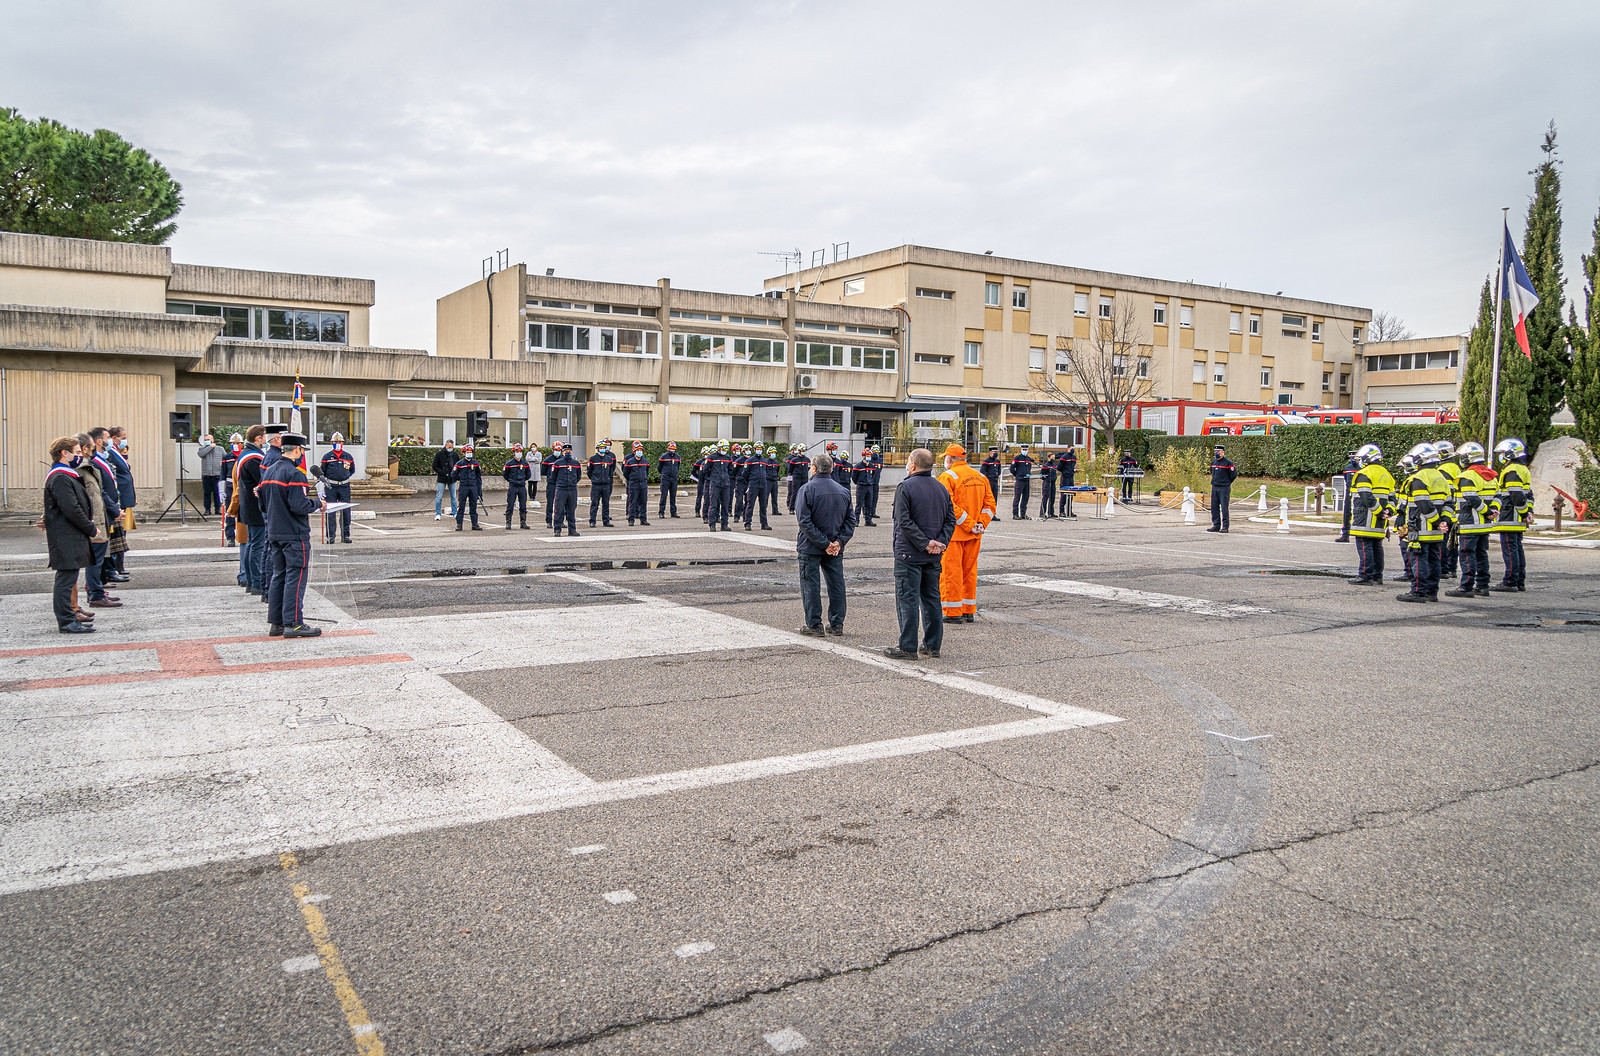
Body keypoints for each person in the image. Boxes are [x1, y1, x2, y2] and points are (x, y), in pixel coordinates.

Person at [885, 448, 957, 660]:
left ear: (913, 465)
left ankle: (907, 647)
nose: (907, 465)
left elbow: (904, 521)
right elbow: (950, 520)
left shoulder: (905, 487)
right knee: (932, 599)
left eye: (908, 461)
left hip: (910, 555)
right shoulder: (941, 488)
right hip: (932, 555)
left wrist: (926, 543)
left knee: (907, 600)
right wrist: (939, 543)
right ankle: (932, 645)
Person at [260, 432, 323, 638]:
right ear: (297, 449)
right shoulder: (295, 474)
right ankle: (294, 622)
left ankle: (277, 622)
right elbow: (299, 505)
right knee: (295, 577)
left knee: (279, 576)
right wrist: (318, 503)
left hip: (275, 531)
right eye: (302, 450)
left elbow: (262, 503)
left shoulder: (269, 472)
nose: (302, 453)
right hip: (293, 533)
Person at [795, 452, 856, 637]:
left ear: (813, 468)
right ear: (832, 468)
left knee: (810, 585)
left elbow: (804, 522)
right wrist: (837, 542)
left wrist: (825, 543)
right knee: (836, 584)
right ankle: (837, 624)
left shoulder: (806, 489)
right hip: (834, 548)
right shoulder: (844, 491)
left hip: (811, 547)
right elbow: (850, 521)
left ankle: (814, 624)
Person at [44, 437, 98, 634]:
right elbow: (71, 509)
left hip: (70, 534)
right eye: (76, 453)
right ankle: (66, 621)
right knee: (66, 580)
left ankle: (70, 616)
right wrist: (91, 528)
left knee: (69, 577)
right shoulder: (60, 477)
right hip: (65, 535)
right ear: (63, 453)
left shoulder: (66, 475)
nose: (80, 456)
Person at [937, 443, 995, 623]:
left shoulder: (947, 477)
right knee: (969, 572)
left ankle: (953, 612)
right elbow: (990, 506)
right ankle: (968, 609)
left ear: (949, 459)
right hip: (975, 534)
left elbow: (949, 506)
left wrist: (969, 524)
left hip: (954, 535)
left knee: (951, 574)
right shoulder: (980, 476)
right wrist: (980, 524)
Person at [1396, 443, 1451, 603]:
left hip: (1419, 530)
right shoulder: (1442, 477)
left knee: (1419, 561)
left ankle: (1418, 592)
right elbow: (1449, 503)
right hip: (1436, 533)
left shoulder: (1418, 478)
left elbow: (1424, 505)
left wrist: (1437, 523)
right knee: (1434, 561)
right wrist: (1444, 522)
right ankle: (1432, 592)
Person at [1445, 442, 1496, 598]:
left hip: (1469, 523)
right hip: (1485, 525)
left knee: (1467, 553)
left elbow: (1471, 498)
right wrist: (1493, 511)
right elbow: (1498, 497)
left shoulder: (1467, 476)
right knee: (1481, 554)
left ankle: (1466, 586)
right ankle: (1482, 585)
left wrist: (1487, 512)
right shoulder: (1491, 476)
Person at [80, 433, 123, 610]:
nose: (94, 450)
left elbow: (101, 492)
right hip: (93, 521)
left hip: (100, 517)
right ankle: (95, 594)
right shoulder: (82, 469)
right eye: (90, 447)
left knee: (98, 557)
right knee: (95, 559)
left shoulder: (90, 466)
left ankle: (97, 591)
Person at [1345, 443, 1394, 586]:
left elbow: (1367, 497)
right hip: (1380, 520)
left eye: (1360, 458)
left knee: (1365, 546)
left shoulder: (1364, 474)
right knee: (1377, 546)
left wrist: (1379, 512)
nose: (1358, 461)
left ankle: (1365, 576)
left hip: (1365, 518)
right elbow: (1393, 497)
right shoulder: (1386, 474)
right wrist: (1388, 511)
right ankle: (1377, 575)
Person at [1489, 437, 1531, 592]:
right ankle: (1519, 580)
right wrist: (1528, 512)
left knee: (1510, 549)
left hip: (1509, 516)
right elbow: (1528, 495)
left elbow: (1516, 495)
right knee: (1517, 548)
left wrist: (1524, 512)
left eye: (1502, 453)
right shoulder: (1523, 469)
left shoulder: (1511, 471)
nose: (1500, 456)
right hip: (1517, 517)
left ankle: (1510, 581)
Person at [233, 425, 269, 596]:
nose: (266, 439)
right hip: (255, 507)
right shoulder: (254, 457)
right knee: (256, 545)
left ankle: (251, 580)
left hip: (248, 506)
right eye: (264, 436)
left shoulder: (246, 453)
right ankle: (255, 581)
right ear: (258, 438)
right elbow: (263, 481)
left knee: (251, 544)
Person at [102, 426, 136, 582]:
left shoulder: (119, 453)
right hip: (118, 498)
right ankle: (115, 566)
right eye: (122, 438)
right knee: (117, 534)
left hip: (126, 497)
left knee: (122, 533)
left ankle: (118, 565)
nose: (124, 440)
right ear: (114, 438)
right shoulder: (109, 454)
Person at [319, 432, 355, 544]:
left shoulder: (348, 456)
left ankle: (345, 535)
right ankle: (331, 536)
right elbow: (322, 472)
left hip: (344, 486)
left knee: (346, 512)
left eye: (339, 442)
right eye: (335, 442)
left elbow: (352, 470)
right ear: (332, 443)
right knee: (330, 512)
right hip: (331, 487)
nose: (338, 444)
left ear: (343, 443)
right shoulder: (327, 457)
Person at [1434, 439, 1462, 579]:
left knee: (1442, 542)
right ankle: (1452, 569)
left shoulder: (1442, 470)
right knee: (1453, 543)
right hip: (1457, 511)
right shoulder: (1456, 468)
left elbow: (1445, 494)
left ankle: (1443, 569)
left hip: (1448, 511)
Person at [549, 442, 584, 536]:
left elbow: (578, 476)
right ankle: (557, 529)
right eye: (566, 451)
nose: (568, 453)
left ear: (572, 452)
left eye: (569, 451)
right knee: (559, 510)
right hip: (561, 489)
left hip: (572, 489)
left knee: (571, 510)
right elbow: (553, 476)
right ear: (562, 452)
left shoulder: (576, 463)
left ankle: (572, 530)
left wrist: (572, 483)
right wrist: (561, 483)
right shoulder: (557, 463)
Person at [452, 443, 484, 530]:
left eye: (470, 452)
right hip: (464, 486)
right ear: (463, 453)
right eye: (467, 452)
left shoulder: (475, 463)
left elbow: (478, 477)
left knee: (473, 506)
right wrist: (461, 479)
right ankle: (459, 524)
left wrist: (479, 490)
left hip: (473, 486)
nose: (469, 453)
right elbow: (453, 474)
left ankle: (475, 524)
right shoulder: (460, 463)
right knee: (461, 506)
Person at [703, 439, 733, 531]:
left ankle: (724, 525)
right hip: (715, 484)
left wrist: (726, 478)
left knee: (725, 505)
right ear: (719, 448)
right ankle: (712, 524)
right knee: (714, 505)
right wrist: (713, 478)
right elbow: (705, 470)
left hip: (725, 484)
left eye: (726, 448)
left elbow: (731, 470)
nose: (724, 450)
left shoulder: (728, 458)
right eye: (723, 448)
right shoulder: (711, 457)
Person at [744, 445, 776, 531]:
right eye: (757, 449)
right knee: (750, 504)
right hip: (753, 484)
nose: (759, 451)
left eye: (760, 449)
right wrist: (750, 481)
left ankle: (764, 524)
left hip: (763, 485)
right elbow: (744, 473)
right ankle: (748, 523)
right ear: (754, 450)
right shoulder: (750, 460)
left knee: (763, 505)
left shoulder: (765, 461)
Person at [587, 439, 617, 527]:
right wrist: (594, 479)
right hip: (596, 485)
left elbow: (611, 470)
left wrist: (607, 478)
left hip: (606, 484)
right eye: (601, 448)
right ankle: (592, 521)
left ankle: (606, 521)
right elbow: (589, 472)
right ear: (597, 449)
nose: (603, 449)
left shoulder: (609, 459)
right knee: (594, 503)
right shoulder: (593, 459)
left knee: (606, 504)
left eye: (604, 447)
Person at [502, 444, 533, 529]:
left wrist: (522, 480)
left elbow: (528, 474)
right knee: (510, 504)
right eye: (517, 452)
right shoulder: (509, 464)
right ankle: (508, 523)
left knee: (523, 505)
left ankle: (523, 523)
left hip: (522, 486)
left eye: (520, 452)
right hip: (513, 486)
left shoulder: (525, 464)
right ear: (513, 453)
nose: (519, 453)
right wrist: (512, 481)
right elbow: (505, 475)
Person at [1207, 444, 1236, 532]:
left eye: (1218, 452)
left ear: (1223, 452)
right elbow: (1212, 473)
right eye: (1215, 452)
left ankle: (1225, 526)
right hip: (1215, 486)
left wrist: (1226, 483)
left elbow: (1233, 475)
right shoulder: (1213, 463)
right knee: (1214, 507)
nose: (1217, 453)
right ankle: (1216, 525)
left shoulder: (1228, 463)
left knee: (1224, 507)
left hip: (1224, 487)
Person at [1335, 449, 1361, 543]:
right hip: (1349, 492)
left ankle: (1358, 532)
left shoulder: (1362, 468)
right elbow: (1346, 480)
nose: (1353, 459)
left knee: (1359, 513)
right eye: (1351, 457)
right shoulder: (1347, 468)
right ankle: (1345, 534)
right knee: (1346, 514)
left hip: (1359, 494)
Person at [220, 434, 241, 546]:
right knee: (230, 512)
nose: (235, 445)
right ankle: (230, 537)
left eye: (237, 443)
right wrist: (221, 491)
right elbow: (222, 474)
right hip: (229, 486)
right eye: (233, 443)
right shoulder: (226, 457)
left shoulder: (243, 455)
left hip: (242, 486)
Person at [623, 442, 651, 526]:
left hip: (643, 484)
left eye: (641, 450)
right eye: (638, 450)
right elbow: (626, 473)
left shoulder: (645, 461)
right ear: (634, 451)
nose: (639, 452)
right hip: (633, 484)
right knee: (633, 502)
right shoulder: (629, 462)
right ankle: (631, 519)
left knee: (643, 502)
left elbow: (647, 471)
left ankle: (643, 519)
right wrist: (632, 480)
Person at [197, 434, 223, 515]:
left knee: (217, 493)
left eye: (208, 439)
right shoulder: (202, 449)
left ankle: (217, 509)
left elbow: (225, 457)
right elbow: (201, 454)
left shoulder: (220, 449)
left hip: (217, 475)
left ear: (213, 440)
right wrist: (210, 447)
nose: (206, 441)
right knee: (207, 493)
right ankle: (207, 509)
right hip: (206, 475)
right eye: (205, 439)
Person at [432, 439, 458, 521]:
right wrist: (442, 472)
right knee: (439, 497)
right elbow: (434, 466)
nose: (451, 448)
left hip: (452, 478)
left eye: (452, 447)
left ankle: (455, 512)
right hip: (442, 478)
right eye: (449, 447)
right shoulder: (439, 454)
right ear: (446, 446)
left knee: (453, 497)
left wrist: (455, 474)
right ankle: (438, 513)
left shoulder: (455, 455)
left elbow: (458, 466)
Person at [851, 449, 876, 527]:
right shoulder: (858, 466)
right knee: (859, 504)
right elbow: (854, 477)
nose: (869, 457)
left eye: (870, 456)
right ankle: (856, 520)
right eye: (867, 456)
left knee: (869, 504)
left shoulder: (872, 466)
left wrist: (871, 482)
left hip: (869, 486)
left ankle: (868, 520)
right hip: (861, 486)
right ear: (863, 456)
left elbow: (874, 475)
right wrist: (858, 483)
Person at [1009, 443, 1034, 519]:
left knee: (1025, 498)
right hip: (1020, 480)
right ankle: (1015, 514)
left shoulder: (1028, 459)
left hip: (1027, 480)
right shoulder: (1017, 458)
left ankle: (1023, 514)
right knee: (1017, 497)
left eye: (1026, 450)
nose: (1025, 451)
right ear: (1021, 450)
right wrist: (1017, 475)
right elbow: (1012, 468)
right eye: (1023, 449)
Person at [657, 441, 681, 518]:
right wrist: (664, 474)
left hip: (674, 478)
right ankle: (661, 512)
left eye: (673, 449)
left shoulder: (678, 457)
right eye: (670, 448)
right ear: (667, 448)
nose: (672, 450)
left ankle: (673, 512)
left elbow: (678, 467)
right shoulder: (663, 456)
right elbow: (659, 468)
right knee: (664, 495)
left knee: (673, 496)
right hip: (665, 478)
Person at [541, 444, 562, 527]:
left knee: (561, 503)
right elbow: (543, 471)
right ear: (553, 450)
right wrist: (550, 477)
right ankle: (549, 521)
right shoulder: (547, 460)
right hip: (551, 484)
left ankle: (560, 521)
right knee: (550, 503)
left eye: (559, 450)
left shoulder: (562, 460)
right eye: (556, 450)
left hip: (560, 484)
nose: (558, 452)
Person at [785, 444, 810, 512]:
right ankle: (792, 508)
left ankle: (803, 507)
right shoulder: (794, 460)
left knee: (804, 493)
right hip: (796, 478)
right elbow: (790, 469)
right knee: (795, 492)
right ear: (799, 451)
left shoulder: (807, 459)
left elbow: (808, 468)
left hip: (804, 478)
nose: (803, 452)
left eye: (804, 450)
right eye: (802, 450)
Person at [1058, 444, 1078, 518]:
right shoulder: (1064, 457)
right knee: (1063, 494)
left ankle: (1069, 511)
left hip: (1071, 477)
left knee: (1071, 494)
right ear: (1068, 449)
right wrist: (1065, 471)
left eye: (1074, 449)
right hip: (1065, 477)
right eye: (1071, 448)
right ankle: (1061, 511)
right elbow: (1059, 467)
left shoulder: (1074, 457)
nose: (1073, 450)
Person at [691, 447, 709, 518]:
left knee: (707, 498)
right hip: (701, 482)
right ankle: (697, 511)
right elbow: (693, 471)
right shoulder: (699, 462)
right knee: (699, 496)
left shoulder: (710, 461)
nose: (706, 455)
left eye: (707, 453)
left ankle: (706, 511)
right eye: (704, 454)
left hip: (707, 481)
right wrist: (698, 477)